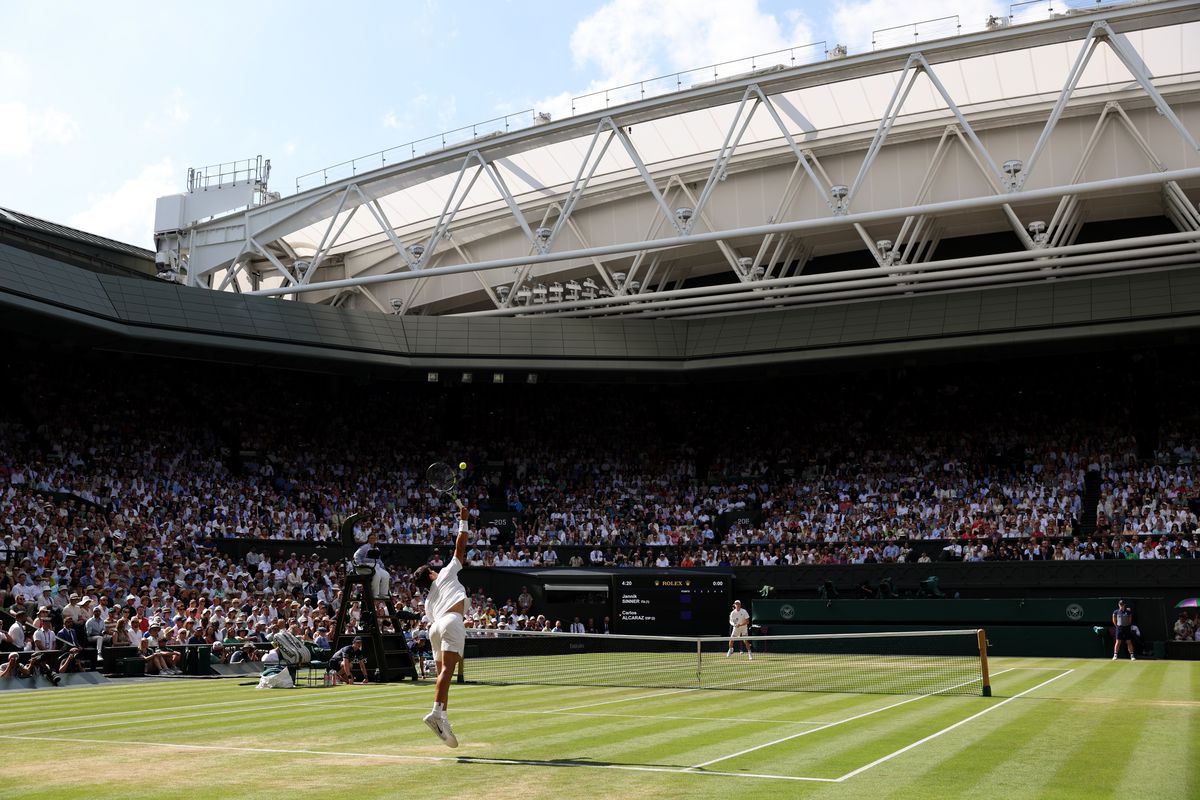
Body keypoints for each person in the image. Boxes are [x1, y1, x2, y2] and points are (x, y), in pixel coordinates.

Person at [412, 504, 471, 748]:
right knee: (447, 672)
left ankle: (442, 717)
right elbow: (460, 547)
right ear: (431, 575)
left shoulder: (428, 602)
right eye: (433, 570)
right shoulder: (445, 573)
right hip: (451, 621)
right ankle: (436, 713)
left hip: (434, 628)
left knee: (442, 675)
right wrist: (463, 521)